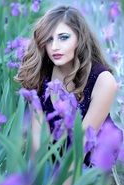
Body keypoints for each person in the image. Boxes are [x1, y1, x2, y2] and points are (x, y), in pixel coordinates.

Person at [15, 4, 120, 173]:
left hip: (94, 164)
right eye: (49, 39)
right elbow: (38, 144)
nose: (55, 46)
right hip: (54, 161)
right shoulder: (39, 76)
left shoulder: (103, 80)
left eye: (63, 37)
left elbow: (82, 144)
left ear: (80, 38)